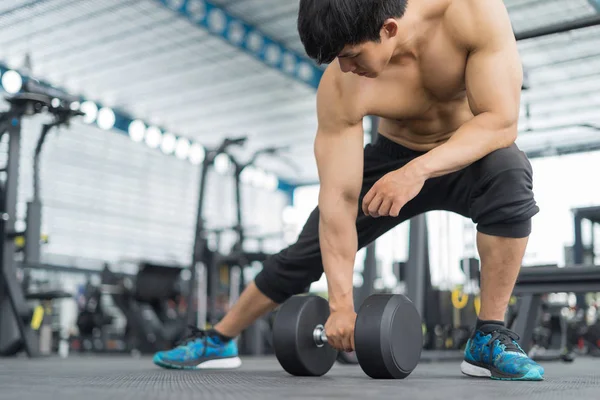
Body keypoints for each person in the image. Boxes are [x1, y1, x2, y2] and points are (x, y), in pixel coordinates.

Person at [153, 0, 545, 381]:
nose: (345, 68)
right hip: (392, 156)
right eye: (336, 59)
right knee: (305, 253)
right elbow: (338, 199)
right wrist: (340, 306)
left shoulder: (470, 11)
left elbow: (499, 122)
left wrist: (417, 171)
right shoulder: (341, 84)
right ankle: (219, 339)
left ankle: (489, 335)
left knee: (510, 173)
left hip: (467, 152)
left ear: (388, 29)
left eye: (352, 55)